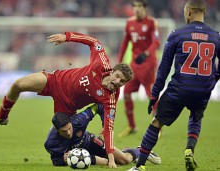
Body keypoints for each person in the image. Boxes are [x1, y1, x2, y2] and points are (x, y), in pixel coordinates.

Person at [0, 32, 134, 168]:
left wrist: (111, 159)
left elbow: (109, 128)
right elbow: (94, 42)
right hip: (55, 80)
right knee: (18, 84)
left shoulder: (111, 98)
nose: (118, 82)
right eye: (118, 77)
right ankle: (1, 117)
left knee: (64, 136)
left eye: (122, 82)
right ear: (113, 71)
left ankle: (124, 153)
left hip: (66, 107)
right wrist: (66, 37)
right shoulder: (101, 63)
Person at [127, 0, 220, 170]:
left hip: (179, 88)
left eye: (185, 12)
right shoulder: (216, 36)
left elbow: (164, 68)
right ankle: (189, 150)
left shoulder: (177, 34)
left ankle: (139, 166)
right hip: (203, 90)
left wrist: (154, 95)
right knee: (195, 116)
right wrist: (214, 79)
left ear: (189, 12)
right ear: (204, 13)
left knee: (156, 123)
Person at [45, 103, 161, 167]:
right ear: (56, 129)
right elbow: (56, 161)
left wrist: (104, 125)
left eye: (69, 128)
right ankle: (124, 152)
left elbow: (99, 106)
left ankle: (140, 151)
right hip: (81, 155)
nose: (69, 132)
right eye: (64, 132)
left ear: (71, 122)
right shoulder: (51, 143)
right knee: (110, 162)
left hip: (90, 142)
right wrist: (64, 160)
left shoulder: (79, 120)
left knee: (124, 160)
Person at [117, 0, 160, 138]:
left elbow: (156, 41)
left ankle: (157, 126)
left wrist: (146, 54)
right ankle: (132, 126)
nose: (136, 9)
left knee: (151, 95)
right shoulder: (129, 23)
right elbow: (125, 43)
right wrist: (119, 61)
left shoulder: (152, 23)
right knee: (127, 93)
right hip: (134, 65)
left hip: (148, 64)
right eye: (134, 6)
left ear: (145, 8)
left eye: (139, 6)